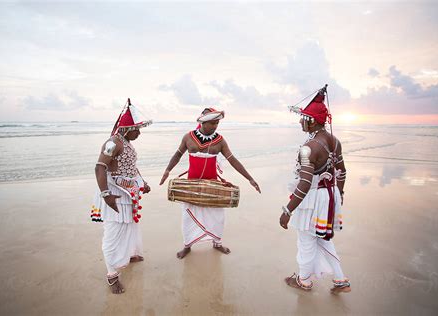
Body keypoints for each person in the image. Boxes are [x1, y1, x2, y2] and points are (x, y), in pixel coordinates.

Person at [159, 108, 261, 259]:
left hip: (212, 184)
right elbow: (177, 154)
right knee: (188, 217)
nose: (215, 126)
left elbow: (232, 160)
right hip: (191, 185)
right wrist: (167, 170)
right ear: (202, 122)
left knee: (217, 217)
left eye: (217, 123)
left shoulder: (220, 141)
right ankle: (187, 246)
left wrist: (250, 178)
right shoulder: (188, 137)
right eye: (212, 123)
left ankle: (217, 243)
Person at [280, 87, 351, 293]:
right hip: (330, 196)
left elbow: (304, 184)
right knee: (322, 238)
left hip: (313, 200)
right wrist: (339, 195)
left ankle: (303, 280)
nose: (300, 121)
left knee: (306, 240)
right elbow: (342, 172)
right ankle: (340, 280)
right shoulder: (335, 141)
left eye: (303, 118)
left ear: (312, 121)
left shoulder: (308, 148)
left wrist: (287, 210)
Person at [90, 99, 152, 294]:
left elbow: (131, 166)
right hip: (114, 192)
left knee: (130, 224)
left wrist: (143, 182)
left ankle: (129, 254)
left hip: (128, 190)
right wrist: (106, 195)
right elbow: (100, 167)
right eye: (138, 129)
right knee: (113, 232)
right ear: (127, 128)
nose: (140, 133)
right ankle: (112, 275)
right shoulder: (112, 143)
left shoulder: (125, 141)